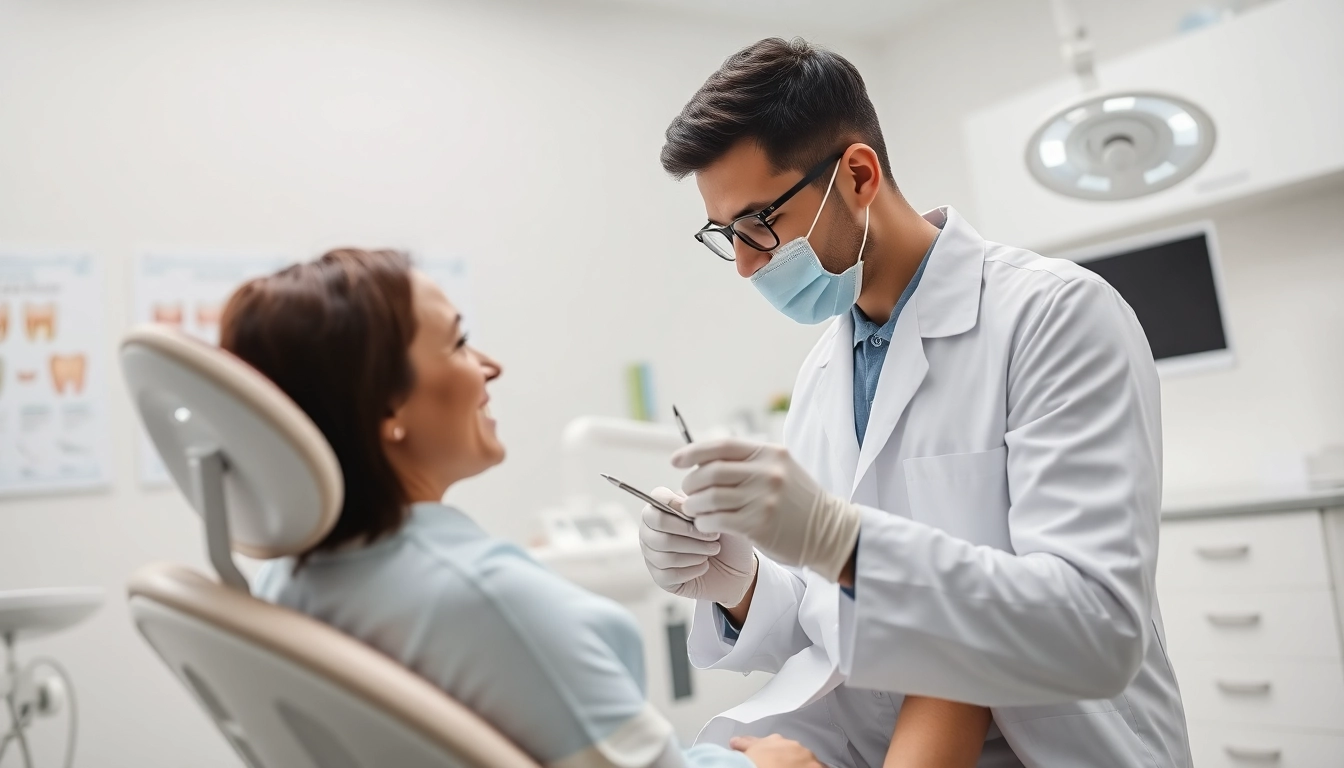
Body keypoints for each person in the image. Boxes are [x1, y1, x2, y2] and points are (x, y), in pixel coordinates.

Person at [638, 38, 1191, 767]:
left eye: (758, 223)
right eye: (726, 235)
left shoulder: (1056, 317)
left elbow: (1097, 631)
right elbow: (839, 624)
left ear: (858, 176)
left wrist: (840, 540)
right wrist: (738, 583)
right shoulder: (823, 372)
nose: (743, 264)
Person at [220, 248, 822, 768]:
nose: (490, 366)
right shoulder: (484, 599)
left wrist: (744, 591)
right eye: (457, 342)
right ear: (387, 409)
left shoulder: (288, 578)